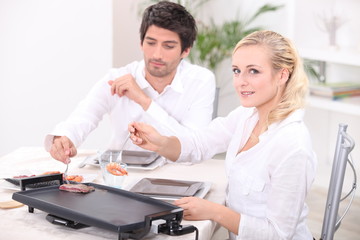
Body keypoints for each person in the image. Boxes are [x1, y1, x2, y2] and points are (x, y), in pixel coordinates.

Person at [129, 30, 317, 239]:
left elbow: (278, 233)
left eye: (253, 71)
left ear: (282, 75)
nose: (240, 81)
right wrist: (160, 143)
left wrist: (214, 211)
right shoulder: (246, 115)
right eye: (237, 71)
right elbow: (201, 143)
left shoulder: (292, 145)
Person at [45, 1, 215, 163]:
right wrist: (66, 138)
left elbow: (194, 147)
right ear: (141, 43)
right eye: (150, 43)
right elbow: (85, 114)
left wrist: (144, 100)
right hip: (122, 175)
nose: (157, 54)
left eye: (168, 46)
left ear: (185, 50)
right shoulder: (118, 77)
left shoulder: (200, 81)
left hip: (178, 176)